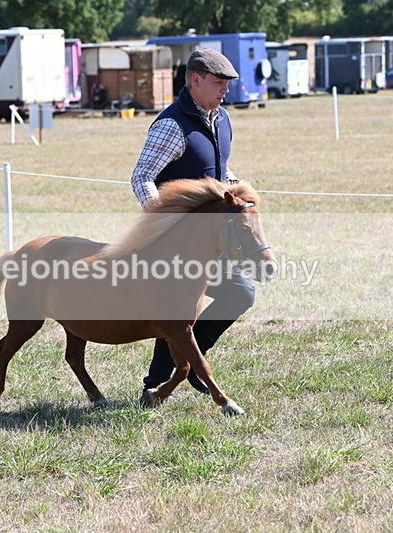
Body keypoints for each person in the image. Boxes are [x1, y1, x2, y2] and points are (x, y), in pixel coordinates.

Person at [130, 48, 256, 396]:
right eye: (218, 83)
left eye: (227, 84)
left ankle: (191, 361)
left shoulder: (221, 117)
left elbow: (218, 169)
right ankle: (157, 384)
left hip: (212, 237)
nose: (225, 90)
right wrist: (162, 221)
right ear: (196, 80)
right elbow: (142, 176)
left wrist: (238, 191)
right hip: (175, 242)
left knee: (241, 293)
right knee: (177, 310)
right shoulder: (172, 125)